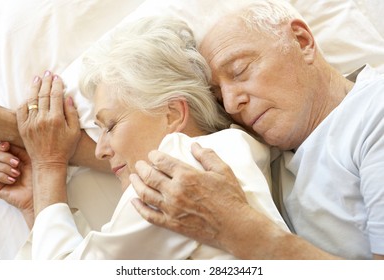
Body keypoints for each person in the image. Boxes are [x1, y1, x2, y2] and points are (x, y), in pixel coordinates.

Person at [0, 16, 288, 259]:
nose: (100, 150)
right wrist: (36, 208)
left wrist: (48, 165)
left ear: (172, 114)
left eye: (110, 126)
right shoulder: (240, 150)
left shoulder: (183, 172)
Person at [129, 0, 384, 259]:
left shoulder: (374, 112)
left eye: (239, 71)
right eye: (218, 98)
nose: (230, 103)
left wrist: (235, 225)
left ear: (302, 41)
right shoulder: (265, 153)